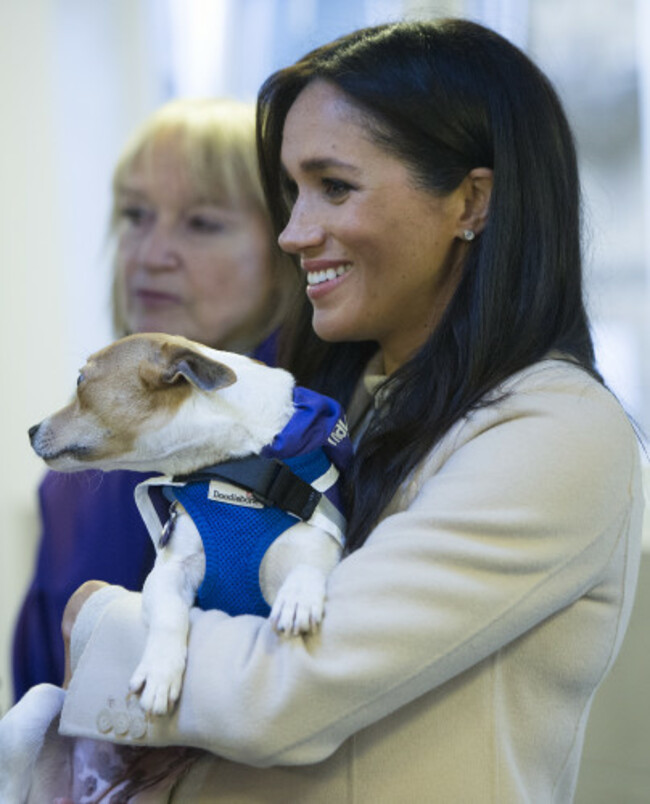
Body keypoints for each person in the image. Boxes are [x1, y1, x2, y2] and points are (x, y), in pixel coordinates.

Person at [21, 18, 644, 802]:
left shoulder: (556, 433)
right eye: (290, 193)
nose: (294, 232)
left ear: (471, 203)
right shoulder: (336, 408)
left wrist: (99, 624)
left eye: (334, 187)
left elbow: (288, 688)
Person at [11, 97, 297, 701]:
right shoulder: (73, 476)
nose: (149, 254)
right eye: (135, 215)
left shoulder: (314, 435)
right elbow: (42, 699)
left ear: (287, 245)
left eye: (201, 223)